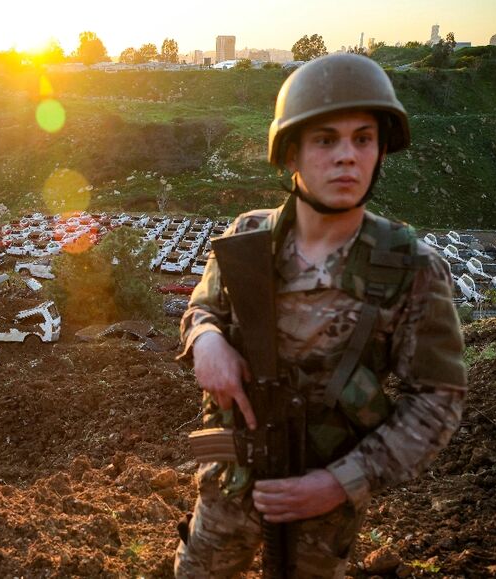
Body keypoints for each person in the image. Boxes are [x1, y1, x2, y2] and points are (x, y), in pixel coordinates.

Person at [174, 53, 467, 577]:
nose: (347, 157)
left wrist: (340, 482)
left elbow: (438, 400)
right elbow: (203, 307)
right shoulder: (248, 239)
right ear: (291, 153)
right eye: (325, 139)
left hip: (320, 511)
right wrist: (206, 340)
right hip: (228, 486)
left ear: (380, 152)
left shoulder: (411, 268)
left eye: (363, 138)